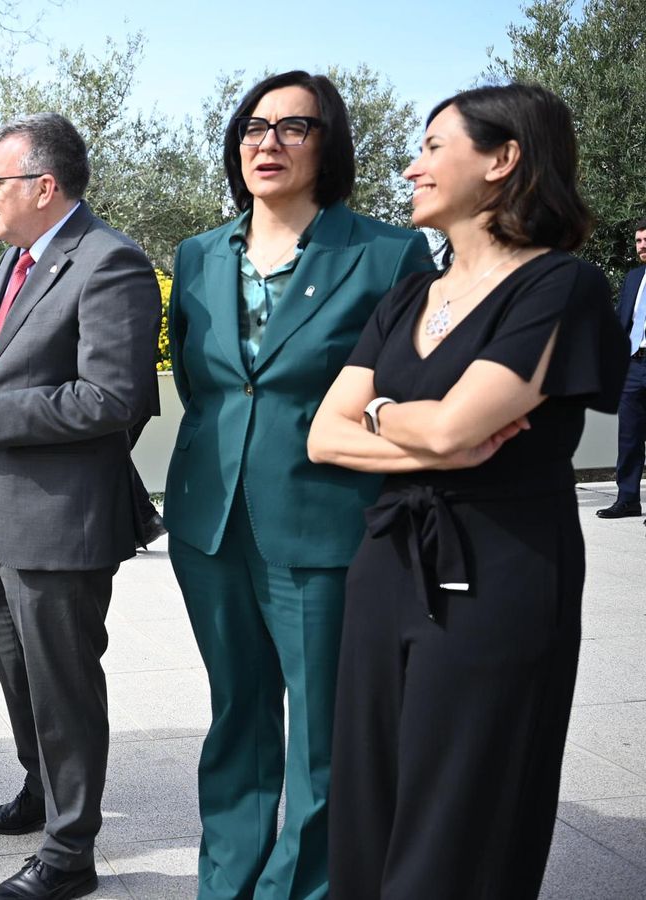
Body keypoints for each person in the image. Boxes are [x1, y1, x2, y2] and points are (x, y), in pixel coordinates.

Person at [307, 83, 628, 898]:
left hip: (499, 568)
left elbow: (454, 430)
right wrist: (405, 417)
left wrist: (389, 420)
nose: (411, 168)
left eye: (432, 146)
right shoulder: (414, 292)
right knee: (370, 796)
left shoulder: (561, 286)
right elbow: (324, 432)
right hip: (387, 561)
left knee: (463, 808)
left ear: (502, 158)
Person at [161, 71, 435, 900]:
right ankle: (228, 880)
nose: (267, 143)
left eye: (292, 128)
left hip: (322, 523)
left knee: (323, 734)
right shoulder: (199, 253)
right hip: (210, 522)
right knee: (235, 714)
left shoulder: (387, 253)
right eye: (252, 127)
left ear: (330, 144)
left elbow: (413, 384)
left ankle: (300, 890)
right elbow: (206, 386)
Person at [0, 113, 162, 900]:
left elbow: (114, 397)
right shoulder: (19, 259)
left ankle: (70, 853)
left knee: (63, 685)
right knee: (19, 674)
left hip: (60, 523)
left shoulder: (111, 262)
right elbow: (7, 363)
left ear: (43, 185)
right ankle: (41, 790)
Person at [597, 215, 646, 519]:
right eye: (639, 241)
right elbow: (621, 321)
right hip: (634, 365)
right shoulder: (633, 278)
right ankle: (628, 499)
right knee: (628, 436)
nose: (642, 246)